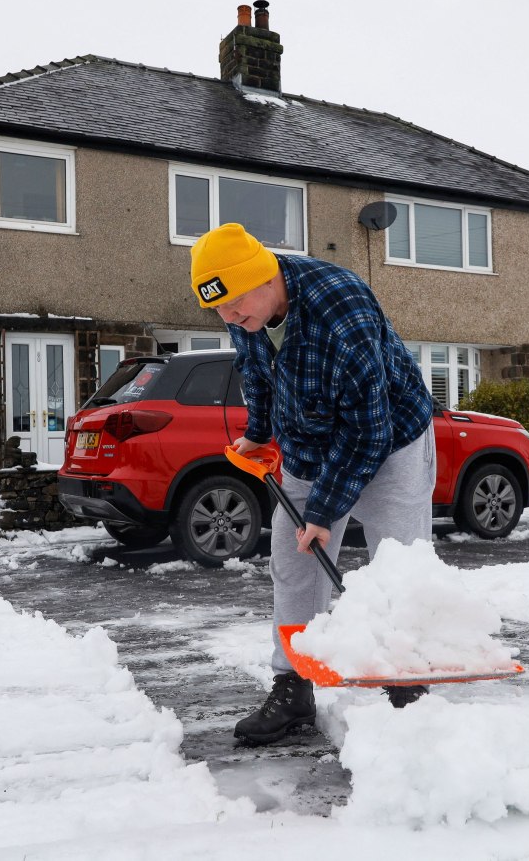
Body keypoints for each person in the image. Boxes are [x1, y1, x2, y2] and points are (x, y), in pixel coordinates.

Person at [189, 222, 437, 745]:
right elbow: (256, 371)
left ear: (263, 278)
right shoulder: (246, 311)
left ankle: (407, 683)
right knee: (292, 559)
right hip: (306, 441)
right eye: (220, 311)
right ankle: (293, 685)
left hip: (389, 436)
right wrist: (258, 433)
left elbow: (368, 432)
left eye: (234, 306)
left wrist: (323, 512)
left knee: (398, 557)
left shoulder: (341, 309)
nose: (229, 318)